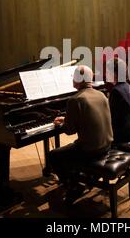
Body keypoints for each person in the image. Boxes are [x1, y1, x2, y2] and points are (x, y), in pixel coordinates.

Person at [49, 65, 113, 204]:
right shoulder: (102, 95)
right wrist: (68, 118)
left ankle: (73, 186)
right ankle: (81, 177)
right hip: (107, 145)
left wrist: (62, 123)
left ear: (78, 79)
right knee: (70, 149)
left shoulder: (75, 99)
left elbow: (69, 131)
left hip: (90, 151)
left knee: (54, 155)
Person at [106, 58, 130, 144]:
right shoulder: (127, 86)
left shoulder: (116, 91)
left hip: (127, 134)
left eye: (108, 72)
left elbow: (112, 117)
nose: (106, 74)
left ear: (114, 74)